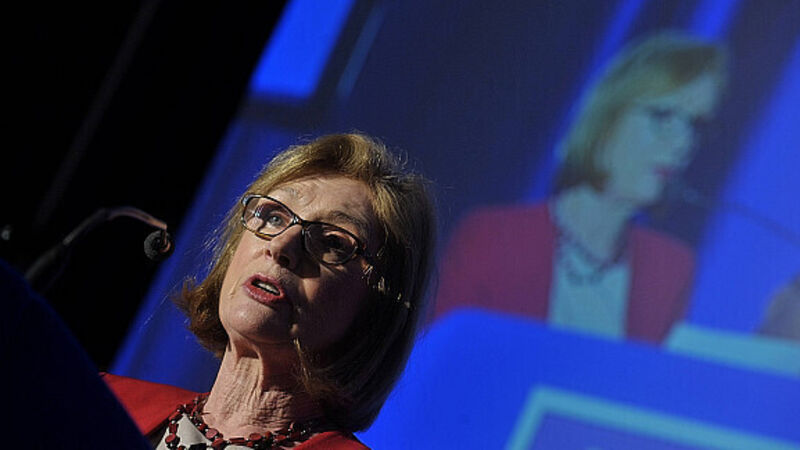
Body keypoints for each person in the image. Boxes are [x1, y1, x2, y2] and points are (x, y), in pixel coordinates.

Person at [104, 133, 436, 448]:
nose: (280, 246)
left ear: (376, 310)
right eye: (275, 217)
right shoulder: (101, 399)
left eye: (332, 242)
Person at [434, 31, 727, 344]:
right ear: (608, 118)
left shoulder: (671, 269)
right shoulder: (494, 237)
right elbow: (439, 364)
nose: (683, 143)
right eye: (662, 115)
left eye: (694, 125)